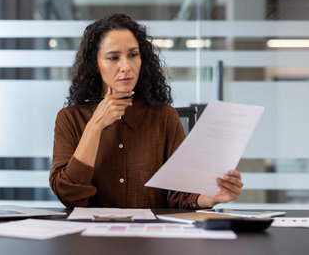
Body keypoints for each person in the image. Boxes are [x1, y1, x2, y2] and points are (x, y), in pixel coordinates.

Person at [49, 13, 243, 209]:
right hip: (89, 237)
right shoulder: (70, 119)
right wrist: (95, 126)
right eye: (113, 57)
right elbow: (68, 195)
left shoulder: (164, 117)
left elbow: (181, 195)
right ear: (95, 65)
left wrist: (212, 196)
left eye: (133, 55)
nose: (126, 66)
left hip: (149, 236)